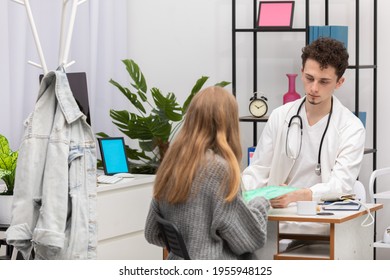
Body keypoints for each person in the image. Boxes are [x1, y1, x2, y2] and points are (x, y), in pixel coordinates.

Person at [144, 86, 270, 260]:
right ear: (228, 123)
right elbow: (248, 240)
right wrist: (262, 203)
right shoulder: (218, 169)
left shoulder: (172, 163)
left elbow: (153, 232)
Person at [242, 37, 366, 207]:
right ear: (301, 72)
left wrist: (299, 195)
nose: (314, 88)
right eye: (309, 78)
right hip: (277, 219)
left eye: (324, 81)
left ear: (339, 82)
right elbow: (257, 171)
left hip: (324, 220)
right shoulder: (280, 116)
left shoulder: (352, 128)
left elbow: (341, 185)